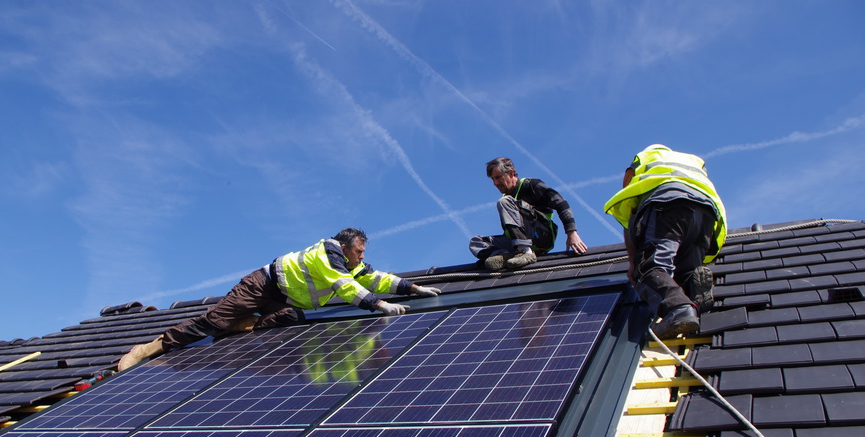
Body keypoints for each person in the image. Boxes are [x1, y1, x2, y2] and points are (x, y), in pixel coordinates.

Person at [117, 228, 441, 371]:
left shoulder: (350, 264)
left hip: (282, 300)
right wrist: (379, 305)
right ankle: (147, 348)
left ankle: (244, 325)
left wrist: (412, 290)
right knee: (213, 321)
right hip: (262, 285)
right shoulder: (327, 256)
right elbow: (345, 286)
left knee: (292, 320)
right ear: (344, 248)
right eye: (359, 251)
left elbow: (377, 278)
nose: (363, 256)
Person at [604, 144, 727, 339]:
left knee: (650, 268)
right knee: (684, 268)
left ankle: (678, 309)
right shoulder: (692, 160)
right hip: (706, 212)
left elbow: (629, 207)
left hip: (667, 204)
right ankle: (691, 286)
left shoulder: (645, 158)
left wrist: (634, 261)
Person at [469, 157, 588, 271]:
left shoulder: (531, 185)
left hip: (540, 237)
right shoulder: (508, 198)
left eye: (498, 177)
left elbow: (561, 204)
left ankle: (525, 252)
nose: (495, 183)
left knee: (505, 202)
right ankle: (505, 256)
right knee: (476, 242)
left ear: (511, 173)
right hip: (519, 242)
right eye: (492, 179)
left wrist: (571, 233)